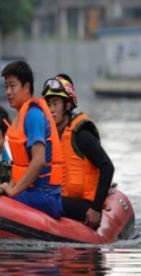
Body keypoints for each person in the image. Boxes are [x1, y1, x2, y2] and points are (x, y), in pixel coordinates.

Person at [42, 74, 114, 229]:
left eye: (55, 104)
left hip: (85, 204)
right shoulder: (50, 137)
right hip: (62, 199)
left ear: (67, 106)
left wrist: (96, 208)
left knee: (45, 201)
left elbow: (107, 167)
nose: (51, 110)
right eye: (48, 105)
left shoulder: (82, 135)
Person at [0, 61, 63, 219]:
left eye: (12, 86)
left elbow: (38, 161)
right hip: (35, 192)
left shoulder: (33, 115)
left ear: (26, 87)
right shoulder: (22, 115)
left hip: (46, 197)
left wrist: (13, 191)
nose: (8, 92)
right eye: (6, 86)